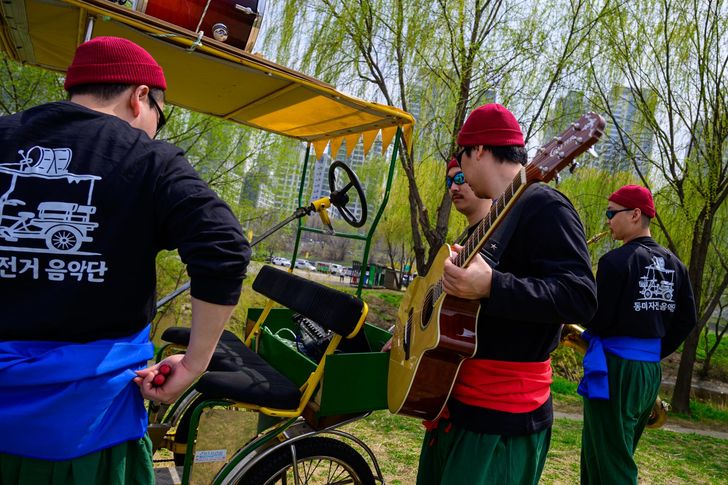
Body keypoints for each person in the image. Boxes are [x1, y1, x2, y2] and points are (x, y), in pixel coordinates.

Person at [0, 36, 250, 483]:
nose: (157, 126)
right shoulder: (148, 158)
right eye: (161, 113)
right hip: (87, 435)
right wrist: (194, 363)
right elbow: (224, 246)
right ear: (140, 97)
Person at [419, 103, 598, 485]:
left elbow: (581, 295)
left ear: (478, 150)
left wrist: (492, 286)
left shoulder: (544, 205)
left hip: (503, 422)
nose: (460, 174)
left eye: (461, 159)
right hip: (457, 410)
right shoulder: (486, 225)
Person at [578, 185, 696, 484]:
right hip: (648, 371)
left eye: (611, 213)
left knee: (611, 462)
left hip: (616, 369)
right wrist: (652, 352)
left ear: (634, 214)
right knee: (602, 453)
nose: (607, 220)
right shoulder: (677, 265)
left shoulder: (615, 262)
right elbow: (687, 319)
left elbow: (599, 320)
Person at [446, 157, 491, 243]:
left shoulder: (507, 227)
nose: (452, 188)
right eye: (449, 181)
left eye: (460, 178)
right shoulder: (463, 248)